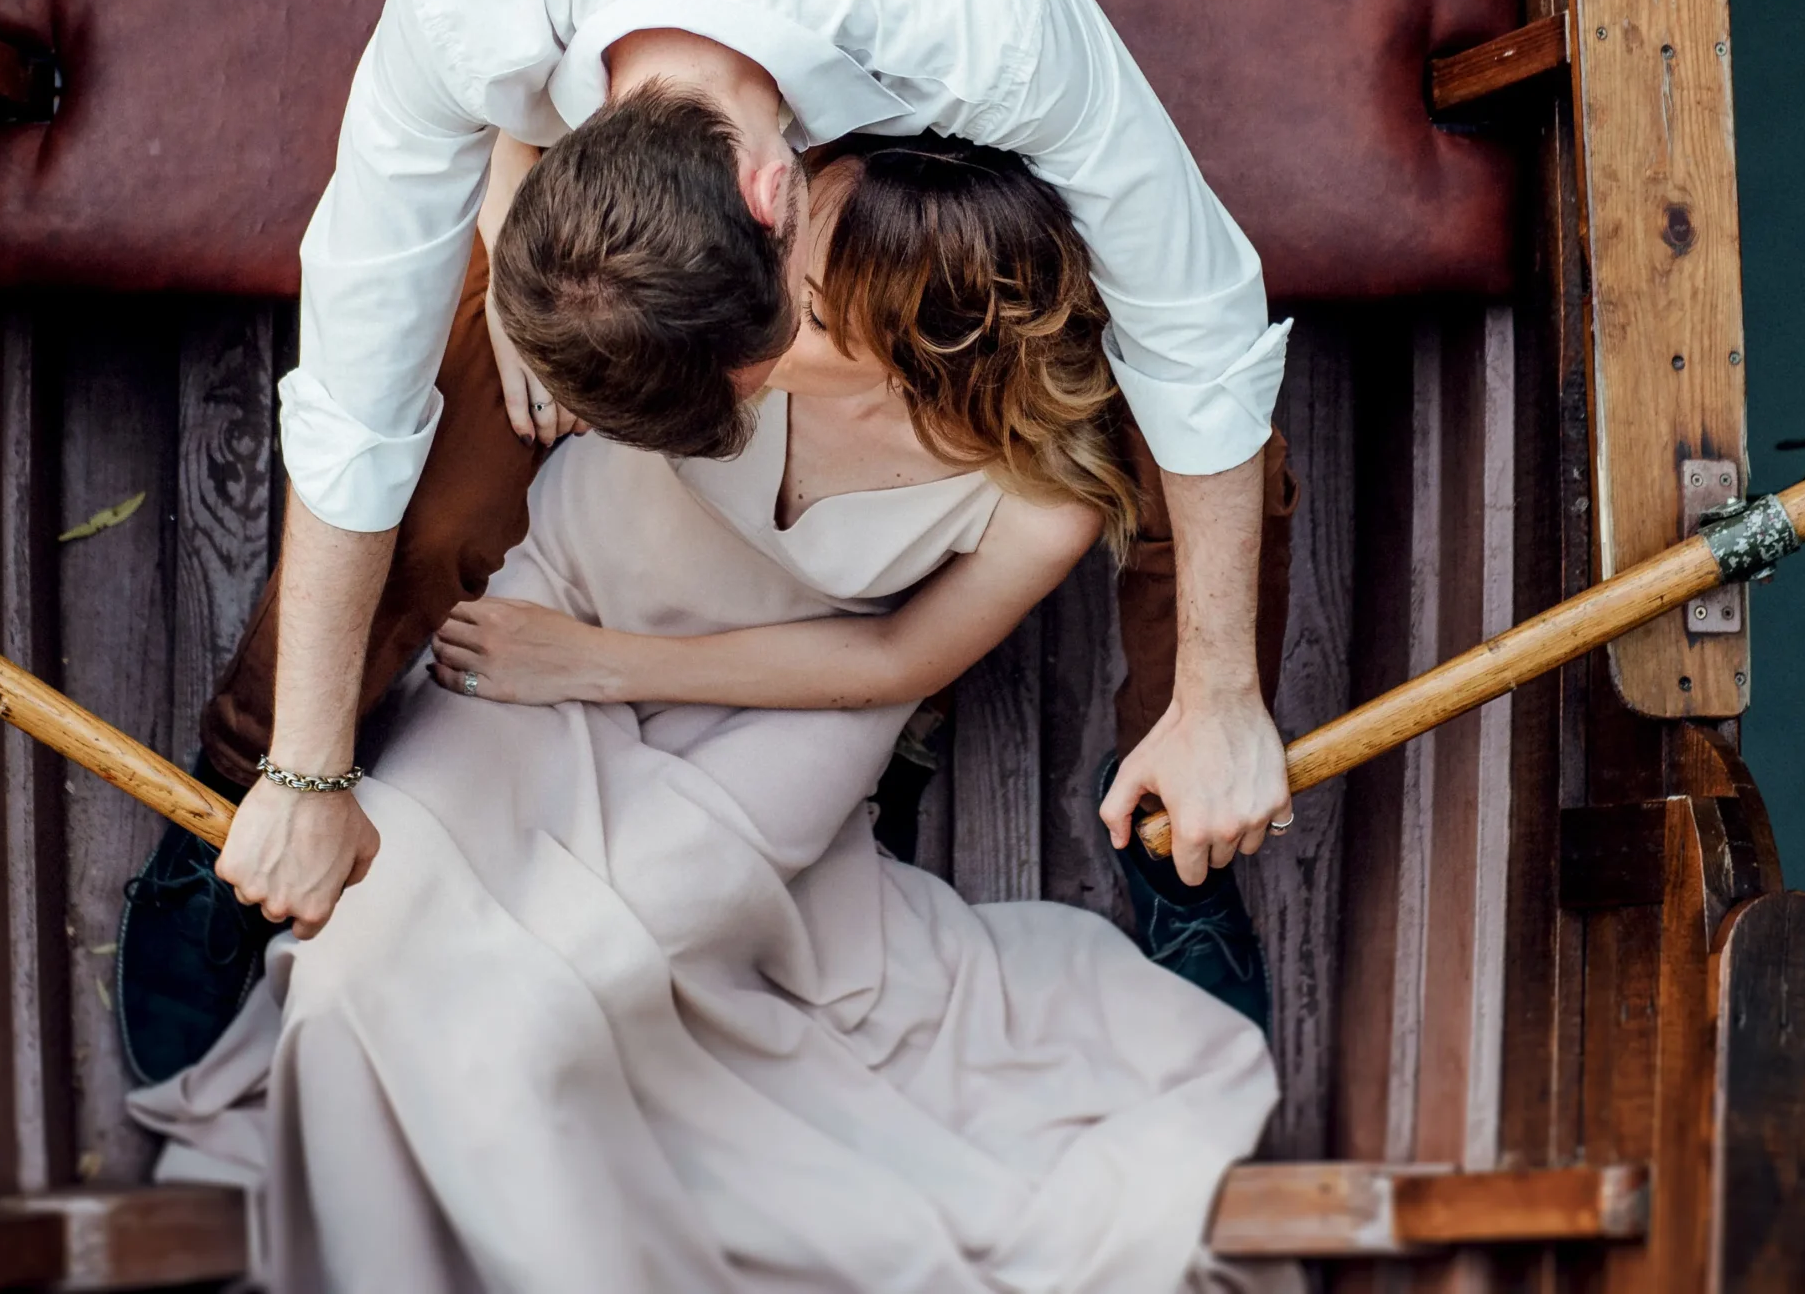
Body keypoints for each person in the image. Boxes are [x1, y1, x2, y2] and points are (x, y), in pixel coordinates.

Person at [117, 0, 1301, 1082]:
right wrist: (310, 770)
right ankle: (229, 786)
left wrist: (1222, 683)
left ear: (783, 198)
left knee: (1200, 436)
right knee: (434, 428)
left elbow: (1202, 316)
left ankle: (1188, 808)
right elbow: (350, 413)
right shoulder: (465, 0)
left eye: (770, 362)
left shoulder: (980, 24)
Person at [129, 139, 1292, 1294]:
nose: (757, 298)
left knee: (566, 1000)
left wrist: (600, 666)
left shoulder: (1038, 494)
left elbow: (894, 652)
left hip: (787, 701)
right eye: (782, 255)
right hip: (555, 599)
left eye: (815, 317)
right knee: (358, 956)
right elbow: (508, 121)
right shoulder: (721, 260)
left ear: (915, 360)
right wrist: (516, 273)